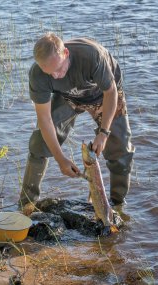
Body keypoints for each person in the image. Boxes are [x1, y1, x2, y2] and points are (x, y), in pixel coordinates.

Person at [18, 32, 135, 213]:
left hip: (103, 95)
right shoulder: (38, 75)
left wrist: (103, 134)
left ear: (65, 53)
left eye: (59, 69)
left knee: (120, 150)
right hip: (69, 97)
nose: (56, 76)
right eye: (50, 73)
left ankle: (116, 206)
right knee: (38, 143)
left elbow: (110, 93)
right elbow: (45, 119)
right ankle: (26, 205)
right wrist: (60, 159)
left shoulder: (91, 56)